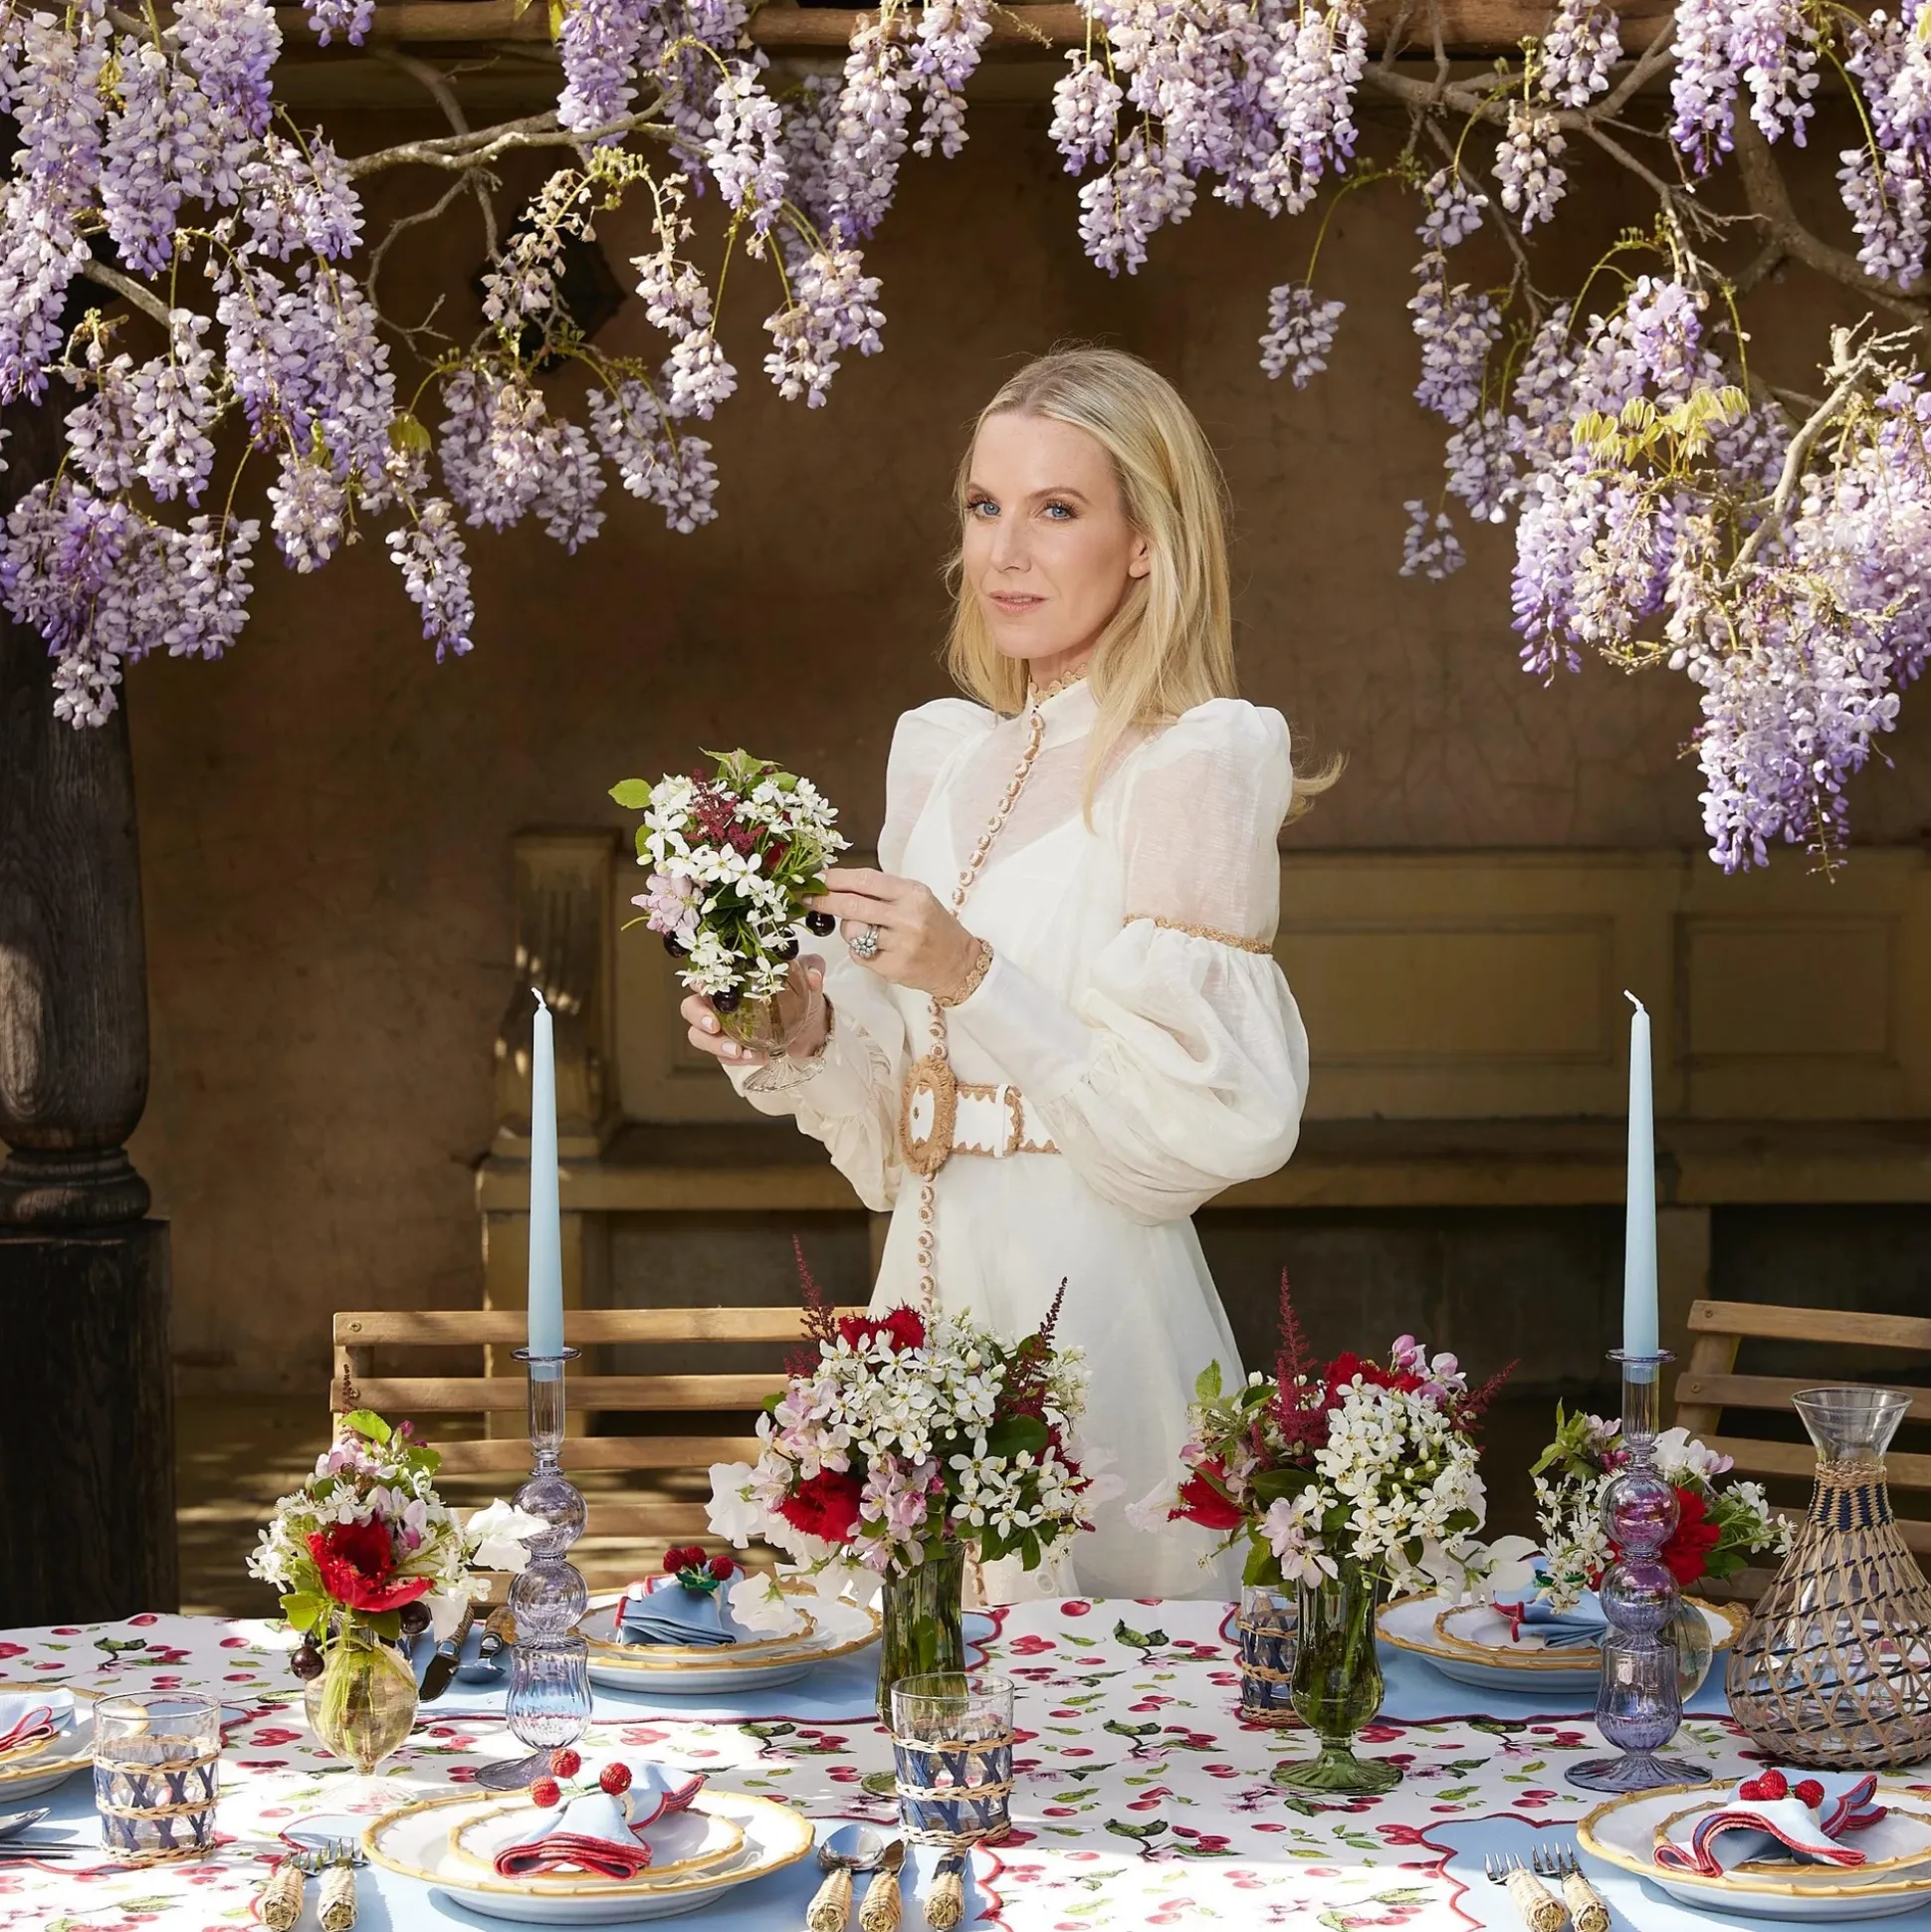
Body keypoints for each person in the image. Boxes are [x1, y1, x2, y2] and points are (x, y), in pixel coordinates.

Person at [682, 345, 1326, 1600]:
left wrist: (975, 973)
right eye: (984, 507)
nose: (1005, 554)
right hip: (917, 1308)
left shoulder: (1194, 761)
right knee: (914, 1679)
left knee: (1113, 1696)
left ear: (1145, 543)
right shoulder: (943, 754)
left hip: (1099, 1310)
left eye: (1056, 509)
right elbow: (900, 1123)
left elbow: (1208, 1125)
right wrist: (799, 1030)